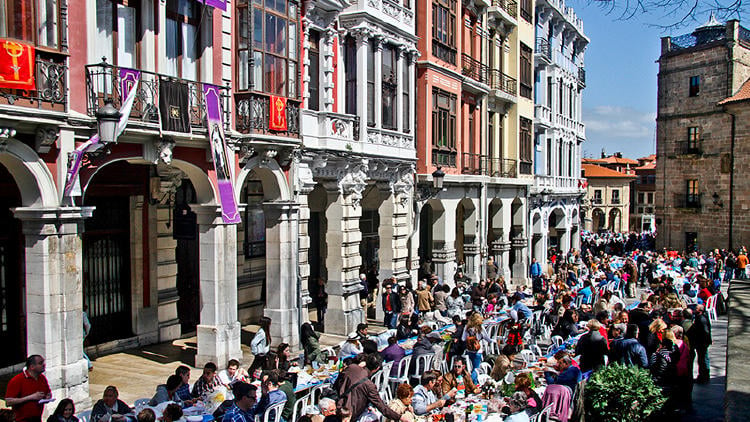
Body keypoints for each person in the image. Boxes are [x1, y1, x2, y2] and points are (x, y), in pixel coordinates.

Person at [335, 354, 405, 421]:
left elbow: (338, 382)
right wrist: (399, 417)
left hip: (338, 407)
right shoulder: (369, 385)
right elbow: (382, 407)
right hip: (351, 415)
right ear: (377, 368)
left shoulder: (351, 367)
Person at [5, 355, 52, 422]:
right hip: (21, 420)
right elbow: (8, 402)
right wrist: (31, 397)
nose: (44, 365)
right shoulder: (17, 380)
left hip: (37, 418)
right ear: (32, 366)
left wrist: (48, 396)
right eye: (40, 363)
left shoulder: (42, 378)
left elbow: (48, 392)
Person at [462, 313, 492, 383]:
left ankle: (474, 383)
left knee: (469, 368)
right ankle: (471, 382)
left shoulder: (467, 327)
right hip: (477, 351)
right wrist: (491, 341)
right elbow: (486, 338)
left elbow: (463, 338)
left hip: (469, 350)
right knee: (476, 369)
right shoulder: (480, 328)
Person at [687, 304, 712, 383]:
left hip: (702, 342)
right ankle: (703, 376)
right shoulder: (701, 317)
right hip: (701, 342)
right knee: (703, 359)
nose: (695, 309)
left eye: (696, 308)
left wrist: (705, 341)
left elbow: (706, 331)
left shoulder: (701, 319)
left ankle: (703, 376)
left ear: (700, 310)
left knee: (703, 359)